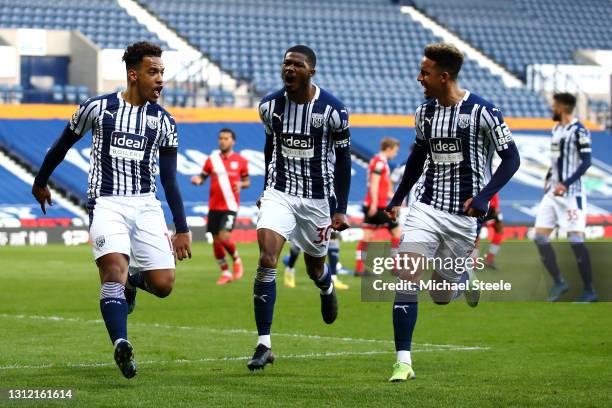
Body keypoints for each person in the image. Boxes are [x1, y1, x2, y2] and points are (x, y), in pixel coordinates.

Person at [31, 41, 192, 379]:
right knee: (112, 274)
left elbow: (170, 180)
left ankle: (135, 283)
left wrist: (182, 227)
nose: (160, 79)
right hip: (106, 203)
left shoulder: (165, 122)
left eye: (162, 72)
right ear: (133, 75)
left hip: (147, 206)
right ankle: (121, 343)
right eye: (153, 72)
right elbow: (61, 146)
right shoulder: (97, 108)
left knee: (163, 285)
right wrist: (41, 181)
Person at [385, 43, 520, 382]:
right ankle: (403, 361)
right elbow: (417, 159)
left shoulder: (484, 112)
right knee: (407, 274)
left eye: (425, 73)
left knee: (441, 296)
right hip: (426, 208)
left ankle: (462, 277)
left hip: (463, 219)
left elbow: (511, 158)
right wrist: (398, 197)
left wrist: (484, 196)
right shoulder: (424, 113)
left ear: (443, 77)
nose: (419, 78)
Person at [248, 44, 351, 370]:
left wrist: (340, 208)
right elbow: (270, 146)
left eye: (297, 64)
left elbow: (344, 161)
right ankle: (264, 344)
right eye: (286, 63)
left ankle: (326, 286)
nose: (289, 69)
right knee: (267, 259)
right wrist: (265, 188)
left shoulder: (332, 111)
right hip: (280, 193)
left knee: (314, 268)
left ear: (311, 71)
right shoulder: (270, 107)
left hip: (318, 200)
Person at [533, 93, 595, 302]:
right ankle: (560, 282)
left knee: (575, 239)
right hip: (553, 193)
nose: (552, 109)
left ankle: (590, 290)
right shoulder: (556, 129)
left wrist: (565, 184)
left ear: (561, 107)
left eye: (554, 106)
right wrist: (549, 177)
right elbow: (556, 159)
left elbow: (586, 162)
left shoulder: (579, 130)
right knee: (539, 237)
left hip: (571, 194)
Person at [191, 128, 249, 285]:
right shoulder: (212, 159)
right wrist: (198, 180)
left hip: (230, 206)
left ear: (233, 141)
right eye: (221, 138)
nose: (223, 141)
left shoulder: (241, 161)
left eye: (226, 138)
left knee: (224, 236)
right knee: (216, 241)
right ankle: (225, 272)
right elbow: (203, 177)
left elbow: (247, 181)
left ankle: (236, 259)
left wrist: (241, 184)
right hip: (214, 206)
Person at [355, 137, 401, 275]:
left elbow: (384, 188)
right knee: (397, 233)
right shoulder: (380, 163)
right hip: (378, 206)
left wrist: (395, 199)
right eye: (395, 151)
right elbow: (374, 184)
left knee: (367, 237)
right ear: (389, 148)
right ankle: (396, 267)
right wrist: (375, 203)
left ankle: (359, 269)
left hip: (372, 204)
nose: (395, 154)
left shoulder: (380, 162)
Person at [282, 235, 351, 289]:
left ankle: (333, 278)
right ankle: (289, 271)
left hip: (324, 219)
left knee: (333, 241)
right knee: (296, 249)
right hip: (304, 220)